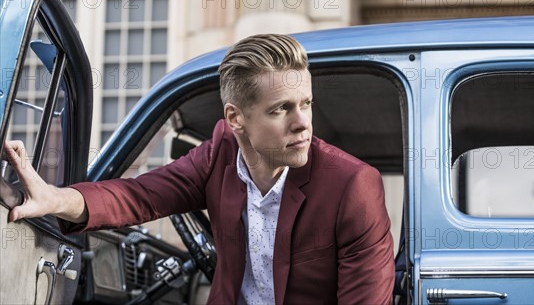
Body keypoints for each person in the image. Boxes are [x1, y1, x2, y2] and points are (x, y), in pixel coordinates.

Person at [4, 34, 395, 304]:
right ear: (236, 118)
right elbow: (140, 196)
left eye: (306, 103)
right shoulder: (220, 154)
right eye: (281, 109)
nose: (303, 122)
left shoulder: (352, 187)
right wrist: (55, 197)